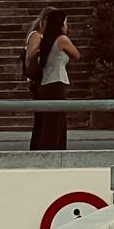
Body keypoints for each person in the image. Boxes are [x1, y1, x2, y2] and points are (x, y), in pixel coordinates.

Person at [27, 9, 79, 151]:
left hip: (46, 83)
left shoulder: (47, 41)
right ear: (60, 25)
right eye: (65, 23)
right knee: (55, 121)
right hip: (57, 83)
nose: (67, 27)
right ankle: (54, 149)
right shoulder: (61, 40)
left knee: (48, 121)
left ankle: (45, 148)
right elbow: (76, 54)